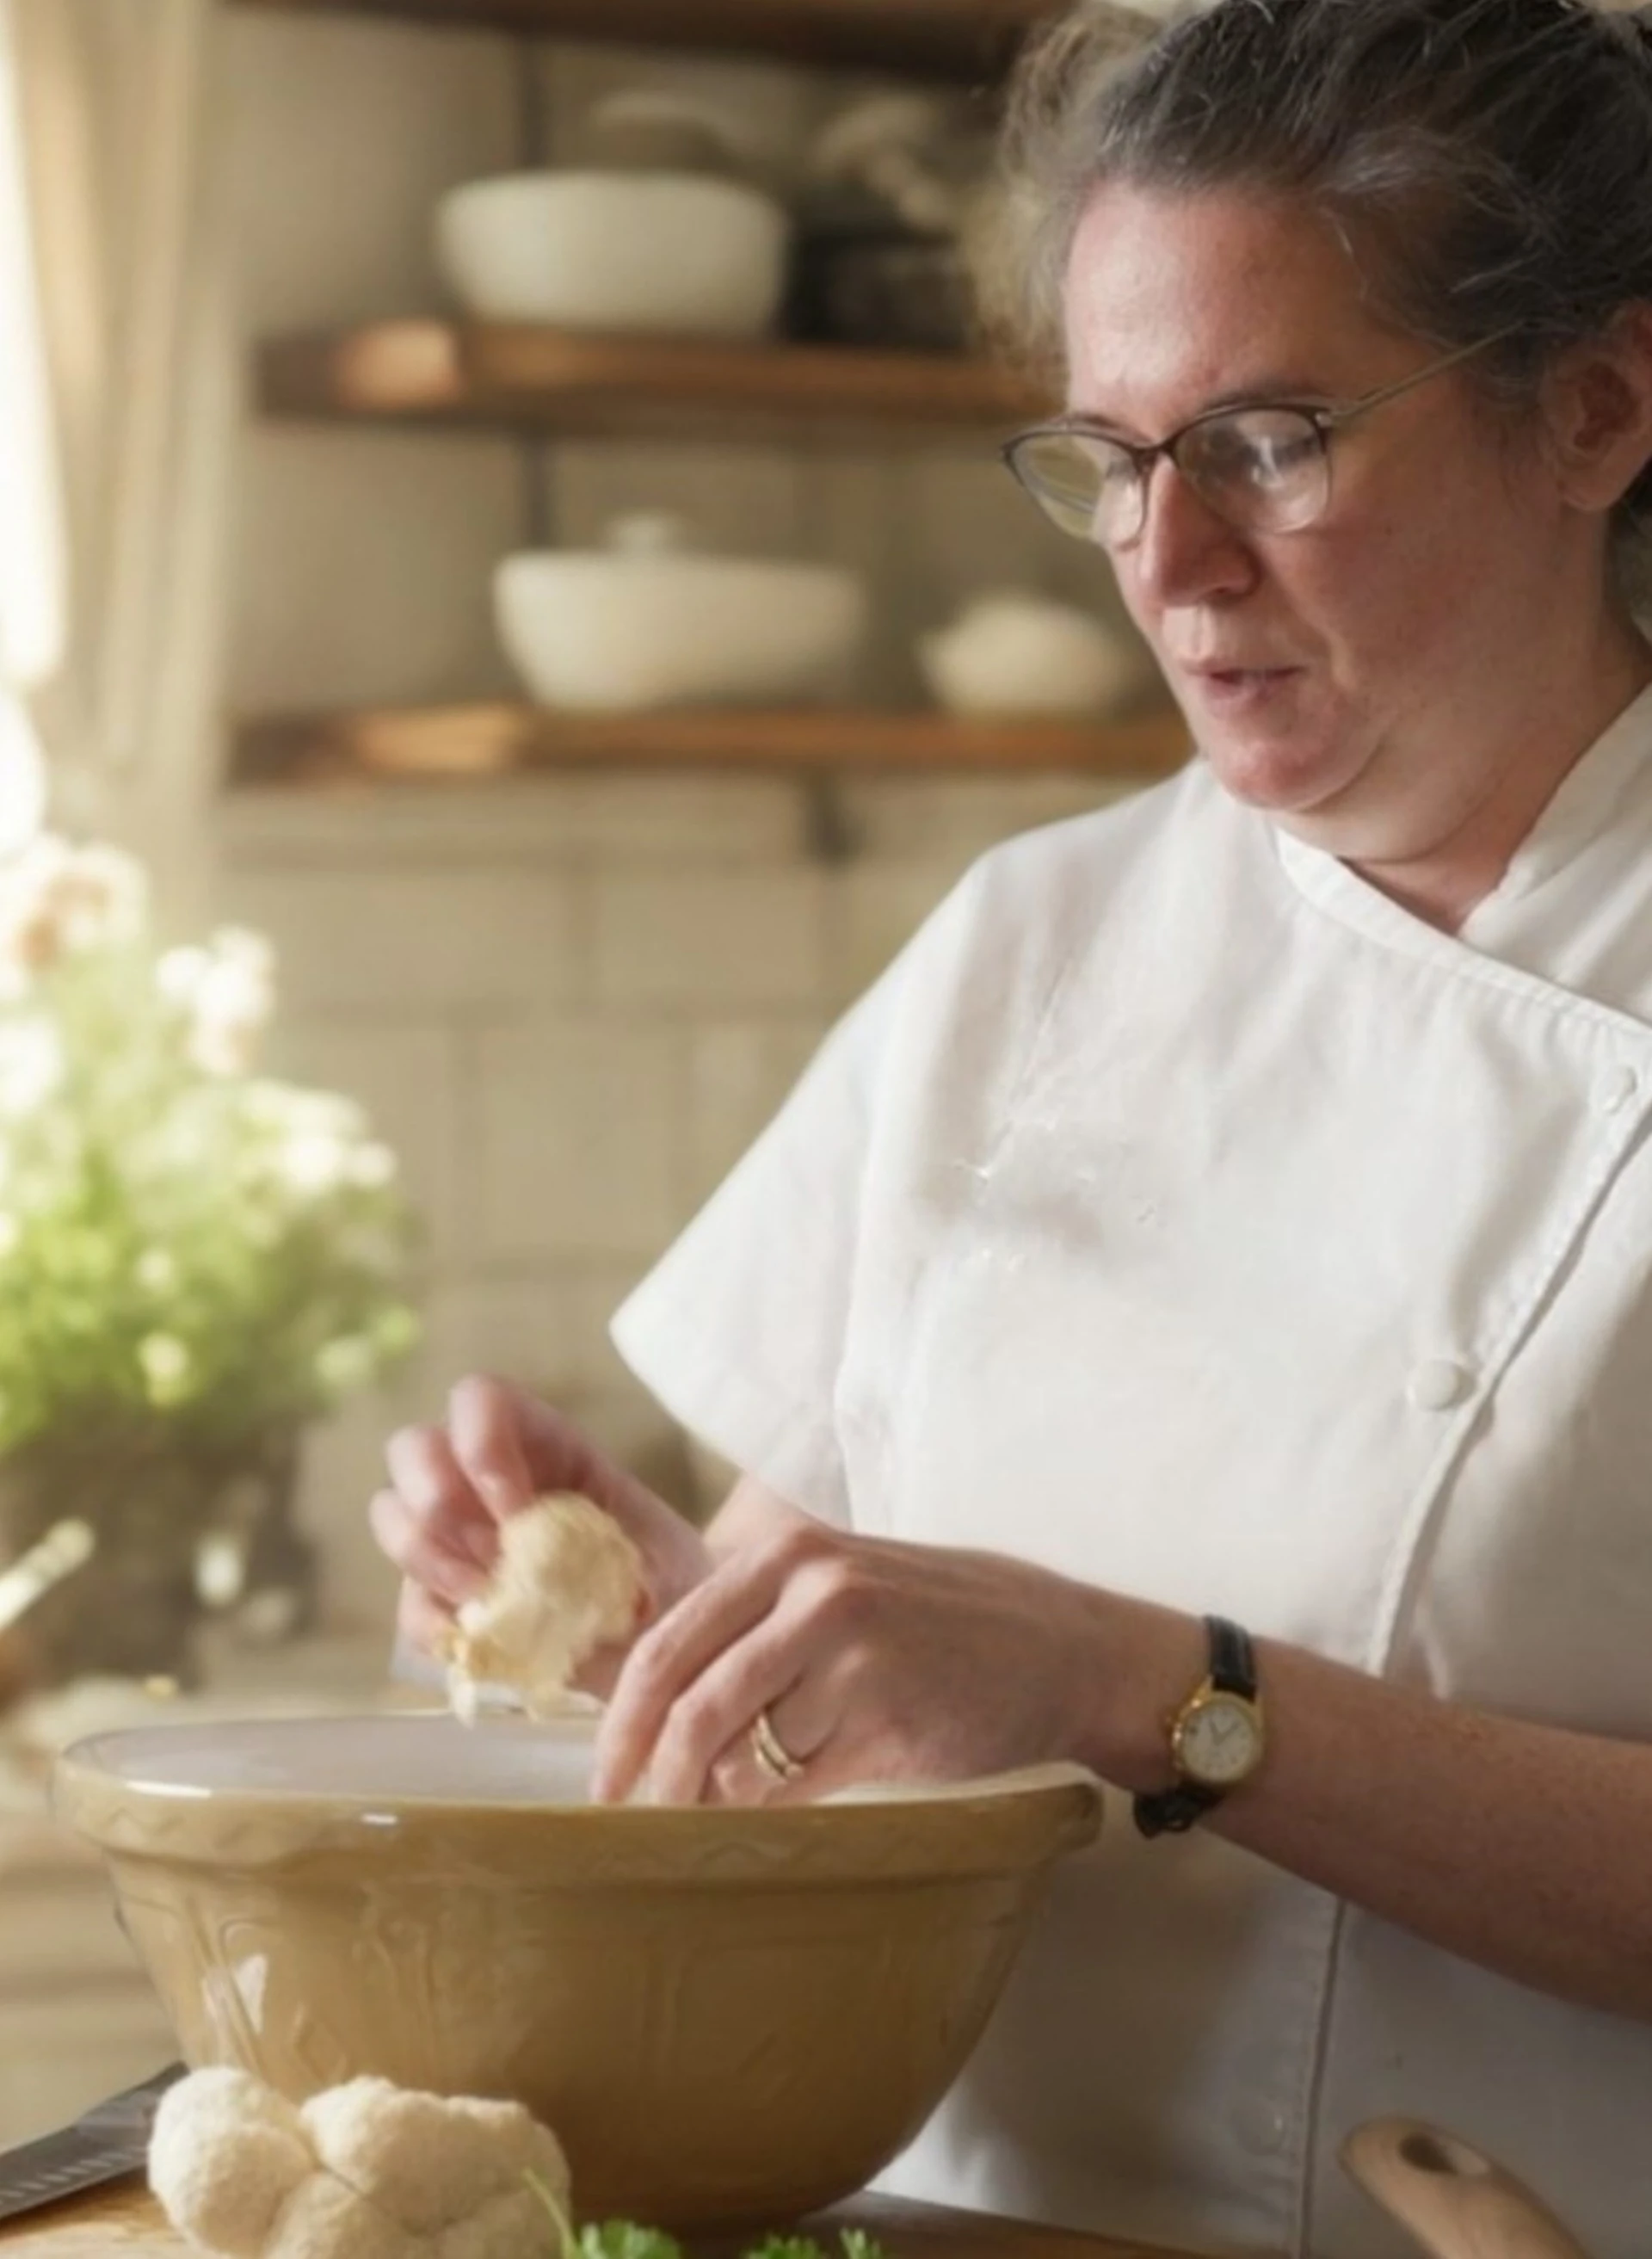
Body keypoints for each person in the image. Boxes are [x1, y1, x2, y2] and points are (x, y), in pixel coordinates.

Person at [368, 3, 1652, 2254]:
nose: (1169, 561)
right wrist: (658, 1632)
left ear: (1602, 406)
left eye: (1269, 440)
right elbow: (828, 1702)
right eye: (1110, 459)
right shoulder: (1035, 946)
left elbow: (1085, 1670)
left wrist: (1162, 1697)